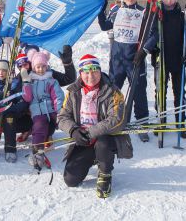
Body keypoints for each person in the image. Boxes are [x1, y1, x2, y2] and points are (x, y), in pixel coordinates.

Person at [57, 54, 133, 199]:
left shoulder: (112, 91)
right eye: (86, 71)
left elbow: (117, 120)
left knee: (103, 143)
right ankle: (92, 157)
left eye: (94, 71)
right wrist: (73, 130)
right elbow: (62, 117)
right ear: (80, 74)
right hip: (83, 140)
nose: (90, 75)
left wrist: (91, 132)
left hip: (104, 138)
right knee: (70, 180)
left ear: (99, 71)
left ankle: (105, 173)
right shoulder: (73, 92)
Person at [97, 0, 156, 142]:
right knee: (113, 91)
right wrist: (101, 11)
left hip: (135, 59)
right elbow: (104, 26)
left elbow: (153, 35)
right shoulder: (116, 11)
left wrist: (143, 51)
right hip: (117, 59)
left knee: (139, 92)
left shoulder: (144, 12)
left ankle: (142, 124)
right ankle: (114, 120)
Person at [151, 0, 186, 138]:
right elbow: (151, 35)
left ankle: (181, 124)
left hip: (178, 59)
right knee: (160, 92)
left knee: (179, 93)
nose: (169, 1)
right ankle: (162, 122)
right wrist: (154, 50)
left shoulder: (182, 16)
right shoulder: (157, 16)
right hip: (161, 59)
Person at [21, 49, 65, 169]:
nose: (41, 69)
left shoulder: (52, 81)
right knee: (39, 127)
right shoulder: (30, 81)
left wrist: (59, 110)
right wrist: (25, 83)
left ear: (47, 67)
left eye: (43, 66)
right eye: (38, 67)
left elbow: (58, 96)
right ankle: (37, 152)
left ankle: (77, 133)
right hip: (37, 111)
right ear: (34, 67)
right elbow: (27, 98)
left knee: (62, 121)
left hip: (51, 108)